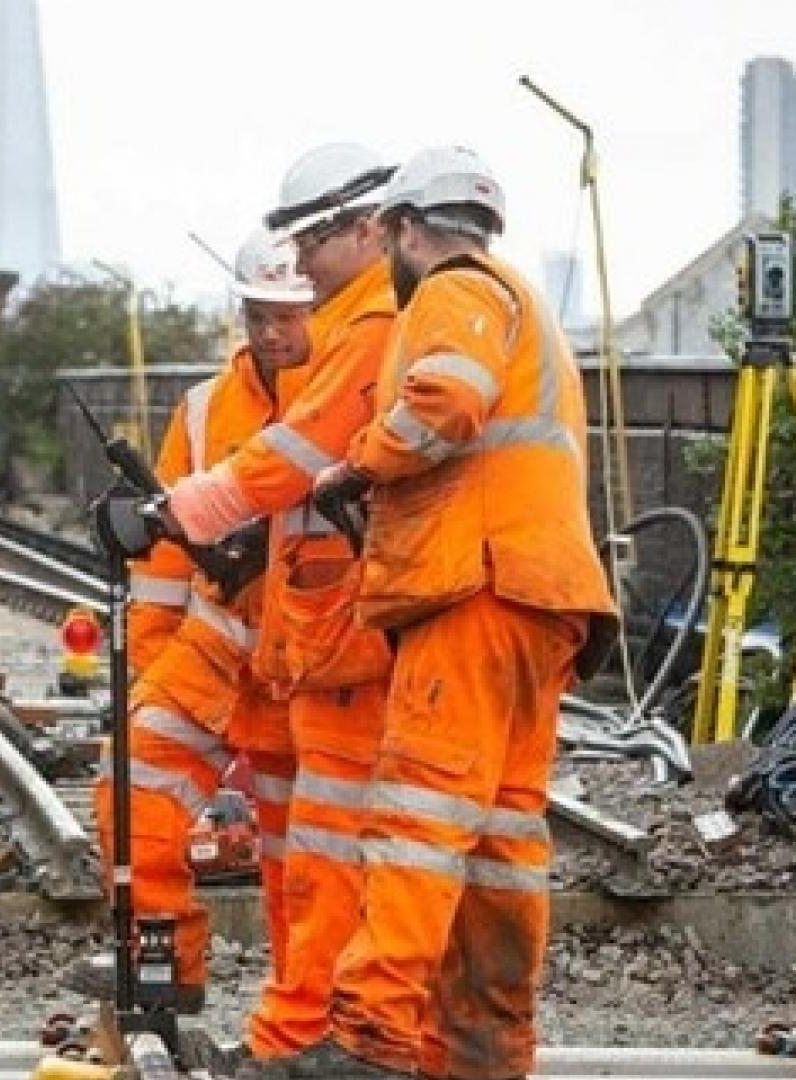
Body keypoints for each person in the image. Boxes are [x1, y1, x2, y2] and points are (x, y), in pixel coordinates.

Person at [264, 146, 617, 1080]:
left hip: (475, 589)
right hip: (542, 600)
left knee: (419, 816)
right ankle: (484, 1056)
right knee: (501, 840)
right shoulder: (522, 299)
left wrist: (362, 465)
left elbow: (444, 404)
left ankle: (372, 1042)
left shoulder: (452, 290)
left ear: (410, 230)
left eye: (390, 238)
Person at [159, 143, 401, 1067]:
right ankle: (326, 1036)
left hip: (342, 643)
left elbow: (296, 460)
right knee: (302, 859)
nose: (298, 279)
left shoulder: (371, 334)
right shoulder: (363, 333)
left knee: (332, 858)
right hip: (302, 650)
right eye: (261, 307)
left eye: (312, 249)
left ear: (368, 228)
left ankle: (319, 1038)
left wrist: (185, 510)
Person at [66, 226, 317, 1010]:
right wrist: (144, 665)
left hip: (310, 661)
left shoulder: (351, 391)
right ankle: (164, 963)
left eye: (288, 315)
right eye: (258, 316)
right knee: (129, 784)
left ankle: (308, 1007)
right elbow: (168, 565)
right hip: (215, 646)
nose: (273, 333)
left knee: (301, 852)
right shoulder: (207, 410)